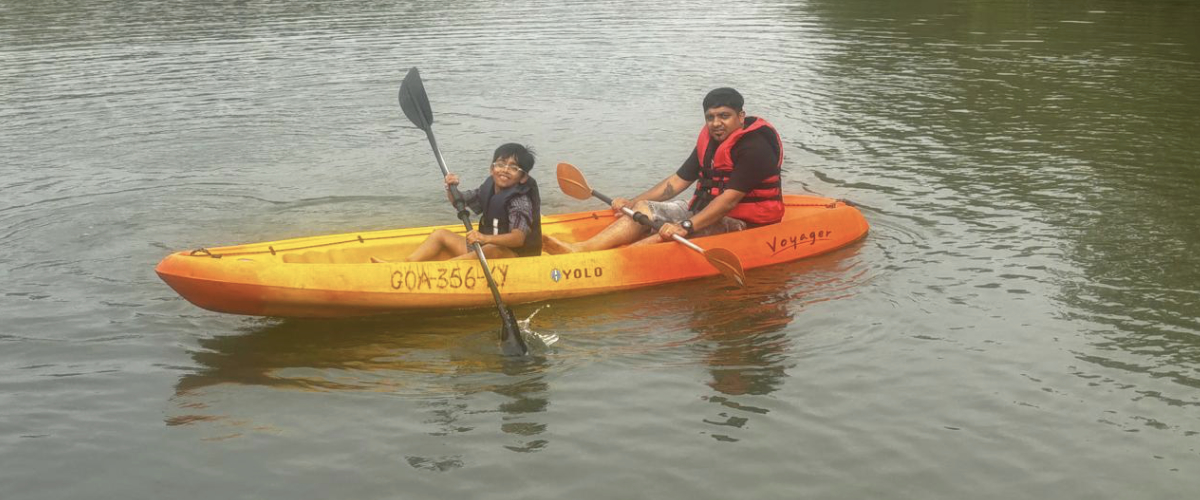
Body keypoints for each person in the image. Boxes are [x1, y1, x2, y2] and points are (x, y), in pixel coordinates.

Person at [545, 87, 783, 253]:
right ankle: (582, 249)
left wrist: (685, 226)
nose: (716, 123)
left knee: (667, 234)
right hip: (703, 209)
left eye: (724, 116)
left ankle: (607, 262)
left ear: (741, 116)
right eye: (710, 117)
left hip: (743, 222)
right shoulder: (711, 140)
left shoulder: (755, 147)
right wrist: (632, 201)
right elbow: (678, 182)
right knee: (642, 209)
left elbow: (729, 201)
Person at [376, 143, 542, 262]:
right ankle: (406, 264)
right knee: (440, 234)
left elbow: (518, 239)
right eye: (500, 164)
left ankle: (445, 271)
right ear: (492, 169)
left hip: (517, 258)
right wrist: (451, 188)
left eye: (514, 168)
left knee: (492, 249)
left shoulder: (520, 200)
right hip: (486, 248)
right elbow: (459, 201)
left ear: (523, 177)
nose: (505, 170)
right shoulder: (489, 188)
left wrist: (484, 238)